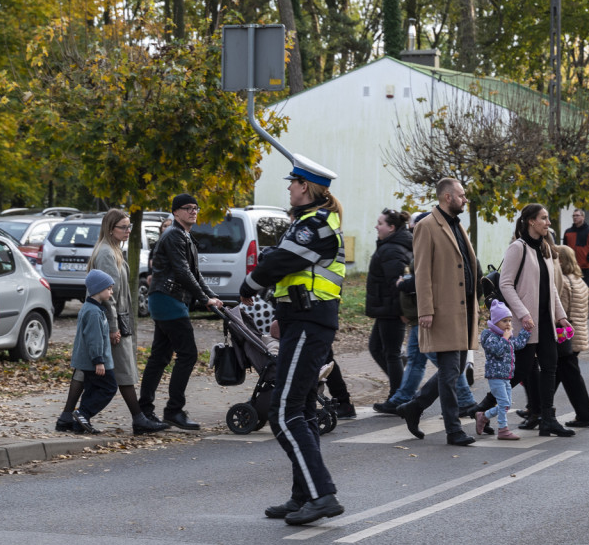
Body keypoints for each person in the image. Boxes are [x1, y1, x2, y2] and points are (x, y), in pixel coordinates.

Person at [240, 154, 345, 525]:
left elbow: (281, 262)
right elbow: (294, 272)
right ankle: (304, 495)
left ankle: (322, 494)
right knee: (301, 410)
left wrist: (249, 285)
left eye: (292, 183)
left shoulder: (314, 224)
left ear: (305, 187)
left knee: (284, 412)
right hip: (300, 321)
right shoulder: (310, 221)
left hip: (308, 323)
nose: (288, 188)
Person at [54, 210, 166, 435]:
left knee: (85, 370)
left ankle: (66, 417)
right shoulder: (107, 253)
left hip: (109, 319)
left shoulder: (112, 249)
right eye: (123, 227)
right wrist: (114, 327)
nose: (128, 231)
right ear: (110, 228)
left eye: (129, 226)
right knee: (122, 370)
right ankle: (138, 419)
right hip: (110, 320)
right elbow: (107, 294)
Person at [394, 177, 482, 447]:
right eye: (461, 195)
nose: (465, 199)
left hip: (463, 310)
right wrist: (425, 310)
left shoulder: (457, 225)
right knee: (450, 372)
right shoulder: (427, 226)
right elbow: (422, 272)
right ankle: (453, 430)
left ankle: (414, 407)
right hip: (442, 311)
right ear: (447, 197)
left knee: (453, 370)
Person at [374, 212, 477, 418]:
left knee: (446, 364)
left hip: (427, 315)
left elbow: (427, 277)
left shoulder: (433, 243)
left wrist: (404, 284)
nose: (412, 229)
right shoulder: (421, 243)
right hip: (418, 314)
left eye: (415, 225)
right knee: (416, 359)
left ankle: (465, 400)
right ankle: (402, 399)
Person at [139, 194, 223, 431]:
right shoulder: (174, 235)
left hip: (170, 299)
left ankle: (145, 411)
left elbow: (195, 274)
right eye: (188, 208)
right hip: (168, 299)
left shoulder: (185, 236)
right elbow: (182, 272)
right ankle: (173, 410)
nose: (193, 211)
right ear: (175, 212)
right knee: (187, 354)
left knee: (160, 357)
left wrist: (211, 297)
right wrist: (204, 299)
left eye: (195, 208)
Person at [499, 203, 575, 437]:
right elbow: (505, 284)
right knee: (520, 371)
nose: (548, 223)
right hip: (527, 322)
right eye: (544, 218)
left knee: (550, 368)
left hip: (546, 322)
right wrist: (523, 313)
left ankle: (548, 420)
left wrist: (561, 316)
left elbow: (550, 287)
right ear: (531, 221)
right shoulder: (517, 248)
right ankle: (483, 408)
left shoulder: (544, 248)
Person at [59, 270, 119, 435]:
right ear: (98, 289)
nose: (111, 292)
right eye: (109, 288)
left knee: (91, 389)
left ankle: (79, 424)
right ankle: (83, 413)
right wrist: (98, 360)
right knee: (109, 388)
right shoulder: (93, 312)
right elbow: (94, 339)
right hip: (95, 362)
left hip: (89, 361)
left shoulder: (91, 308)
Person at [365, 208, 413, 400]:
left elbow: (397, 283)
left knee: (390, 353)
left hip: (392, 310)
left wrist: (401, 311)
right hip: (386, 308)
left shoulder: (392, 249)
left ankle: (400, 396)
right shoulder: (391, 246)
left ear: (391, 227)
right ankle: (402, 389)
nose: (376, 227)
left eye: (380, 223)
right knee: (377, 348)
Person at [474, 300, 531, 440]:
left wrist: (526, 331)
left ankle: (483, 416)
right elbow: (497, 351)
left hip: (507, 376)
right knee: (504, 404)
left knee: (506, 405)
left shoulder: (506, 337)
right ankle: (503, 430)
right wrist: (505, 339)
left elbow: (518, 344)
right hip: (495, 376)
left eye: (510, 321)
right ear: (495, 322)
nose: (508, 324)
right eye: (504, 321)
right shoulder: (489, 336)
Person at [553, 245, 589, 428]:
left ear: (561, 261)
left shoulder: (564, 282)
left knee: (571, 378)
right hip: (578, 334)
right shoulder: (580, 281)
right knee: (556, 375)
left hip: (565, 338)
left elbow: (560, 312)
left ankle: (585, 416)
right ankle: (536, 408)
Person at [562, 208, 589, 290]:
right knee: (572, 289)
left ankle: (587, 300)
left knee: (585, 289)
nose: (575, 217)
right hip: (571, 266)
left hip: (585, 266)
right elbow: (564, 248)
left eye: (577, 215)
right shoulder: (568, 232)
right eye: (573, 216)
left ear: (583, 217)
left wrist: (588, 258)